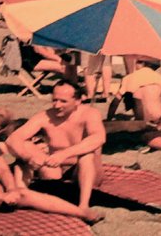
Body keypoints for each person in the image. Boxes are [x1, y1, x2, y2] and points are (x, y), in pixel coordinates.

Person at [6, 82, 106, 217]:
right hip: (56, 170)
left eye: (63, 101)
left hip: (84, 171)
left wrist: (64, 154)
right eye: (54, 100)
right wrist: (27, 156)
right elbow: (13, 139)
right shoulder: (45, 116)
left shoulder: (90, 114)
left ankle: (83, 205)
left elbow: (99, 138)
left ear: (77, 101)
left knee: (86, 155)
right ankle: (37, 194)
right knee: (27, 146)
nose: (57, 105)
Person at [79, 0, 119, 103]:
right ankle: (106, 92)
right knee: (106, 61)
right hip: (107, 23)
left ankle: (90, 94)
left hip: (89, 23)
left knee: (88, 63)